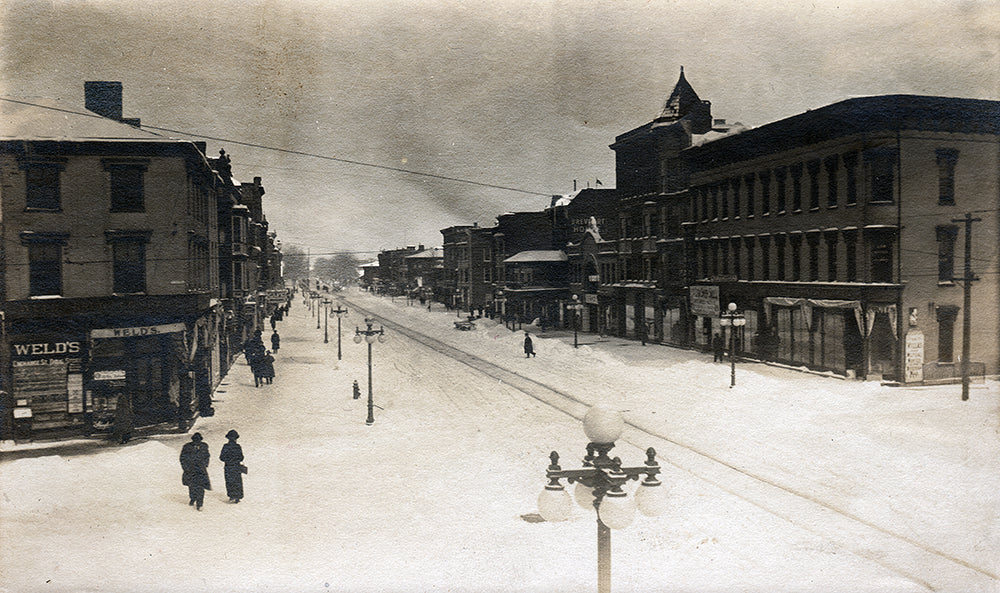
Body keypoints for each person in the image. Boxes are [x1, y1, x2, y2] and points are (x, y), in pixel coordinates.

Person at [180, 433, 211, 510]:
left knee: (201, 487)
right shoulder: (187, 447)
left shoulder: (204, 446)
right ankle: (193, 498)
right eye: (195, 441)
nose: (197, 442)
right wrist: (185, 468)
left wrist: (205, 464)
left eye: (198, 441)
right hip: (190, 470)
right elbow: (182, 458)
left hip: (201, 470)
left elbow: (207, 456)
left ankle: (200, 504)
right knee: (192, 486)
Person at [219, 430, 245, 503]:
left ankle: (231, 496)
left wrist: (228, 459)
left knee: (229, 481)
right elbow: (241, 457)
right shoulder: (237, 446)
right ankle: (237, 497)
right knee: (237, 481)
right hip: (236, 467)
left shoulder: (226, 446)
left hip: (228, 467)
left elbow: (221, 457)